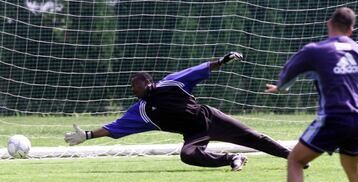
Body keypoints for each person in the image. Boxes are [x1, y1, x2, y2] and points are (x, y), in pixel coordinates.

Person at [65, 52, 291, 171]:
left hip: (209, 118)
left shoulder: (171, 83)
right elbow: (114, 128)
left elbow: (199, 69)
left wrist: (223, 61)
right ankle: (233, 158)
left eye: (135, 85)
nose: (133, 90)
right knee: (187, 155)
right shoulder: (142, 111)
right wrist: (86, 135)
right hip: (194, 135)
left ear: (147, 82)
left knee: (253, 137)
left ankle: (293, 158)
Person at [266, 7, 358, 182]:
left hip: (334, 117)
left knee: (296, 160)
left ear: (329, 24)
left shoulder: (315, 50)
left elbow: (288, 73)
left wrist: (280, 87)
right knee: (352, 166)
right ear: (351, 30)